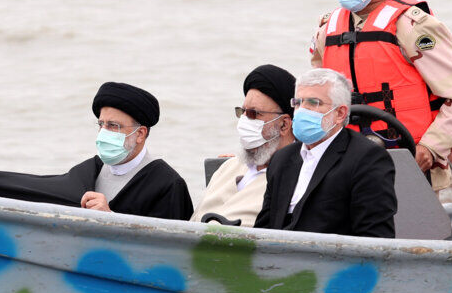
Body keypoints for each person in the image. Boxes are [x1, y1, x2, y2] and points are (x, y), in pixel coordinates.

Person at [309, 0, 452, 191]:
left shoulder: (412, 26)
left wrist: (431, 148)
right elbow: (317, 97)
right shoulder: (327, 30)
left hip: (407, 165)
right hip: (346, 167)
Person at [255, 68, 396, 238]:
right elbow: (262, 230)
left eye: (314, 103)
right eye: (298, 103)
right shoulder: (281, 159)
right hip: (277, 260)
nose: (302, 111)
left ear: (340, 113)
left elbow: (375, 238)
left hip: (332, 261)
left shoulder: (367, 158)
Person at [192, 64, 296, 227]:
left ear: (284, 125)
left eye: (254, 114)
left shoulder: (296, 179)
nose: (244, 121)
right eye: (243, 112)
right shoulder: (229, 167)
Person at [70, 83, 192, 220]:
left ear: (140, 134)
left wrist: (109, 219)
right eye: (101, 124)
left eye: (113, 126)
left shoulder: (167, 185)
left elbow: (171, 239)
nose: (103, 132)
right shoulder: (89, 171)